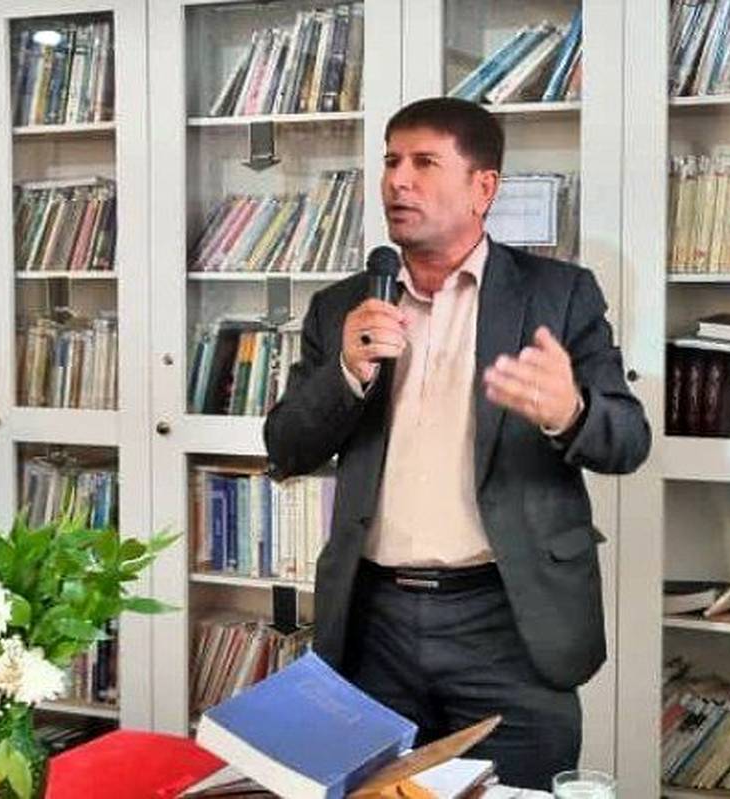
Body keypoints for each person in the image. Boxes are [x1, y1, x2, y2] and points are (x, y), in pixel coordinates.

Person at [263, 97, 650, 790]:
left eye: (424, 163)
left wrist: (570, 411)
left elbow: (628, 440)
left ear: (483, 187)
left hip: (509, 619)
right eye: (391, 162)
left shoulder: (558, 295)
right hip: (373, 622)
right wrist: (347, 371)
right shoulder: (344, 306)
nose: (397, 181)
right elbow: (286, 447)